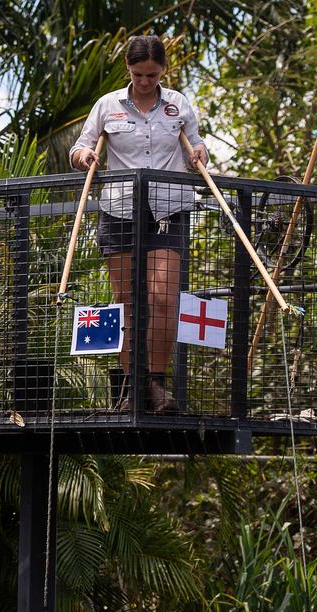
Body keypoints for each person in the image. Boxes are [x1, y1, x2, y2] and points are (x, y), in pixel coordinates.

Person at [69, 35, 208, 414]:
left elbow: (196, 146)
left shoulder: (177, 104)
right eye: (137, 74)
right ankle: (132, 387)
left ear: (163, 70)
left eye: (151, 74)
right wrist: (84, 156)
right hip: (119, 212)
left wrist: (199, 154)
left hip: (169, 210)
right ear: (128, 70)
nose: (144, 81)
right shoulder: (107, 105)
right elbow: (81, 146)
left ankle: (157, 386)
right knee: (126, 303)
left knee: (163, 299)